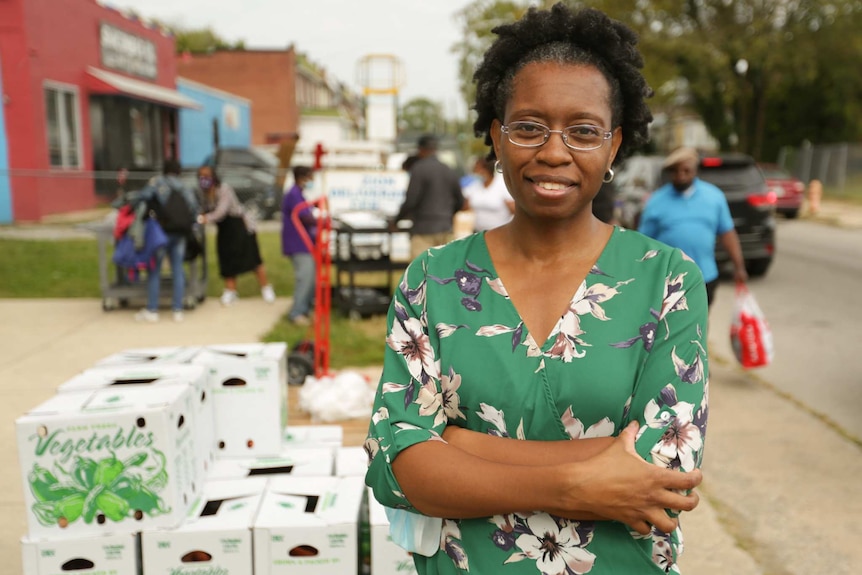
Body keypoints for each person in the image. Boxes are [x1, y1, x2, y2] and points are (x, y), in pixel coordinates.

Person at [364, 5, 708, 574]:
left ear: (614, 144)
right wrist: (580, 483)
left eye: (583, 130)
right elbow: (396, 466)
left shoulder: (665, 279)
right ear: (497, 137)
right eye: (528, 127)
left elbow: (664, 470)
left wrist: (458, 442)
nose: (554, 151)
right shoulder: (433, 279)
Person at [638, 146, 748, 307]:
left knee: (700, 328)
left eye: (686, 170)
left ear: (695, 170)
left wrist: (739, 267)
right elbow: (644, 242)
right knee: (670, 329)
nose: (681, 176)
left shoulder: (714, 197)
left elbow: (727, 233)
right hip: (668, 281)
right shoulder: (656, 201)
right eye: (675, 171)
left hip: (705, 278)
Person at [196, 164, 276, 306]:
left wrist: (205, 219)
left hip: (238, 225)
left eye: (207, 176)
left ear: (213, 176)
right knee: (227, 259)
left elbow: (222, 211)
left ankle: (266, 288)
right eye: (202, 176)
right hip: (224, 230)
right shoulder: (205, 194)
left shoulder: (224, 189)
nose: (204, 179)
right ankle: (231, 291)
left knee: (252, 257)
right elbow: (204, 209)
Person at [134, 158, 199, 323]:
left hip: (160, 233)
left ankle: (153, 310)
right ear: (178, 171)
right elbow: (193, 208)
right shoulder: (185, 186)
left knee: (155, 270)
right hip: (180, 233)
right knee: (178, 269)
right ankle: (177, 309)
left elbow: (142, 196)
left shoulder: (157, 183)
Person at [393, 134, 465, 258]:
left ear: (420, 149)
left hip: (423, 230)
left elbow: (411, 201)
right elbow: (460, 201)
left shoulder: (419, 169)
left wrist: (396, 220)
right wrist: (447, 215)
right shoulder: (448, 169)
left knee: (421, 274)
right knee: (445, 273)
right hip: (446, 229)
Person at [281, 165, 317, 325]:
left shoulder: (299, 194)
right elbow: (304, 217)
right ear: (302, 177)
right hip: (297, 243)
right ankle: (296, 313)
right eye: (310, 177)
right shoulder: (293, 194)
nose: (312, 181)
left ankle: (305, 309)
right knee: (305, 277)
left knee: (311, 278)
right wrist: (322, 219)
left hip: (305, 243)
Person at [461, 155, 515, 231]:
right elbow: (465, 207)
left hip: (501, 231)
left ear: (486, 169)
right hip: (479, 232)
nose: (475, 172)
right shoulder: (474, 186)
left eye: (477, 169)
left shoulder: (502, 185)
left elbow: (513, 210)